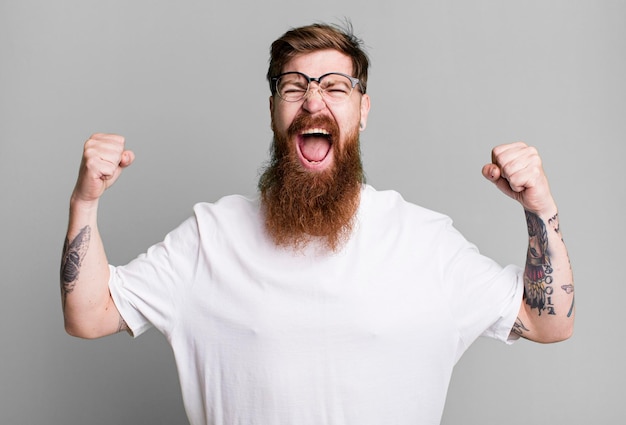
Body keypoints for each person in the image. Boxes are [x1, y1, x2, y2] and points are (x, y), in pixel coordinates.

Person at [60, 22, 574, 425]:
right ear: (273, 111)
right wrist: (85, 201)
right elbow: (90, 315)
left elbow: (548, 322)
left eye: (335, 87)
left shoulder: (425, 242)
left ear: (363, 110)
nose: (313, 101)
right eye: (293, 87)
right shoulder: (210, 237)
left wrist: (540, 207)